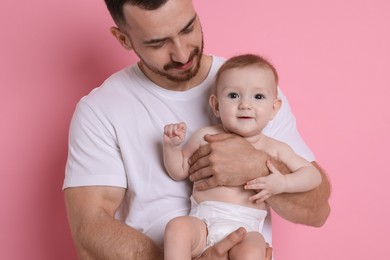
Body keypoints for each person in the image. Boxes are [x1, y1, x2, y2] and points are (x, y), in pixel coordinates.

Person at [63, 0, 331, 259]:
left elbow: (317, 209)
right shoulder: (100, 110)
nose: (181, 54)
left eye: (188, 28)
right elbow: (90, 233)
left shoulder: (253, 87)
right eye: (158, 42)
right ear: (124, 39)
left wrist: (257, 166)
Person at [162, 54, 322, 260]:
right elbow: (179, 171)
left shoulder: (274, 148)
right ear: (216, 105)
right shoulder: (205, 136)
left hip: (246, 229)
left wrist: (283, 183)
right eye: (234, 95)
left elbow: (312, 175)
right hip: (203, 223)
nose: (245, 105)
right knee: (176, 229)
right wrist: (172, 148)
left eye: (258, 97)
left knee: (253, 251)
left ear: (274, 109)